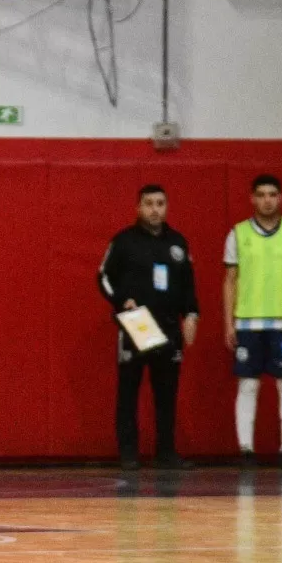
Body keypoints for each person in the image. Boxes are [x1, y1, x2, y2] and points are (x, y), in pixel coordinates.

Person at [97, 184, 199, 469]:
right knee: (129, 391)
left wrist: (191, 315)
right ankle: (129, 453)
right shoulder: (125, 241)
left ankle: (166, 451)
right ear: (138, 208)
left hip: (168, 326)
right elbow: (103, 277)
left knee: (167, 393)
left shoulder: (178, 244)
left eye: (160, 203)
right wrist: (120, 301)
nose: (155, 209)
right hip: (137, 324)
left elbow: (188, 285)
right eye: (149, 203)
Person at [224, 174, 282, 467]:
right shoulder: (237, 234)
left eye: (272, 194)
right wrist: (228, 322)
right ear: (252, 198)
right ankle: (246, 449)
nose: (266, 200)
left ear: (281, 198)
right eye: (261, 194)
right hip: (248, 322)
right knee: (248, 385)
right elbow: (230, 280)